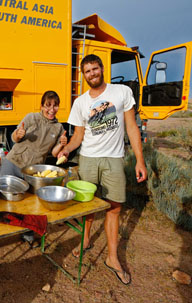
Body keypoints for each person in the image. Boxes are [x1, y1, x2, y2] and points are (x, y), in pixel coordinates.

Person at [57, 54, 147, 285]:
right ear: (83, 75)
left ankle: (112, 258)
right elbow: (78, 136)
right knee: (87, 206)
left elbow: (131, 127)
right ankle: (85, 240)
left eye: (95, 69)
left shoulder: (121, 92)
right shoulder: (80, 102)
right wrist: (66, 150)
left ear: (102, 68)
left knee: (114, 208)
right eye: (87, 71)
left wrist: (139, 160)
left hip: (114, 159)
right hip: (87, 159)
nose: (92, 74)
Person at [0, 90, 68, 178]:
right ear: (41, 106)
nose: (52, 109)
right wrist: (18, 134)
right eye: (48, 105)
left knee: (27, 192)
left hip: (33, 170)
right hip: (13, 163)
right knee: (4, 190)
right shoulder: (31, 117)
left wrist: (61, 144)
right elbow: (14, 138)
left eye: (55, 106)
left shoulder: (58, 127)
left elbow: (54, 153)